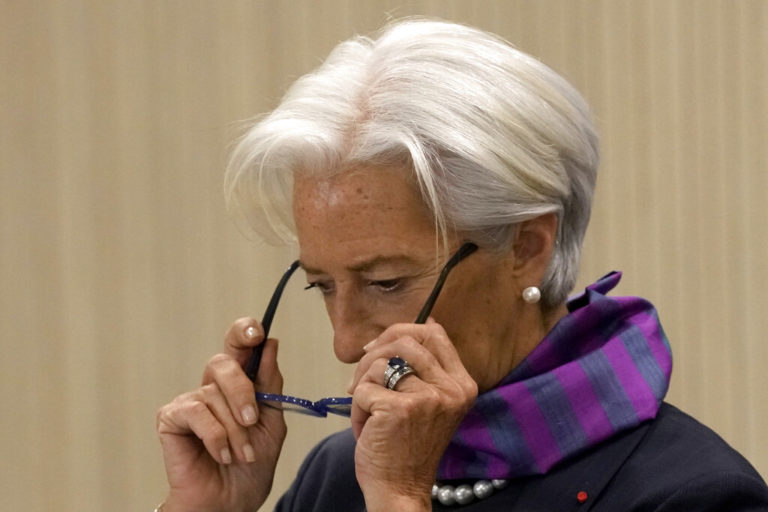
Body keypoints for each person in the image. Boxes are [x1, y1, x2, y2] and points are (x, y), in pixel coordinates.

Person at [155, 19, 768, 511]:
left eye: (386, 282)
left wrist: (400, 499)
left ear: (526, 249)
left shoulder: (697, 495)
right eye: (322, 286)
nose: (344, 345)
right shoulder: (337, 477)